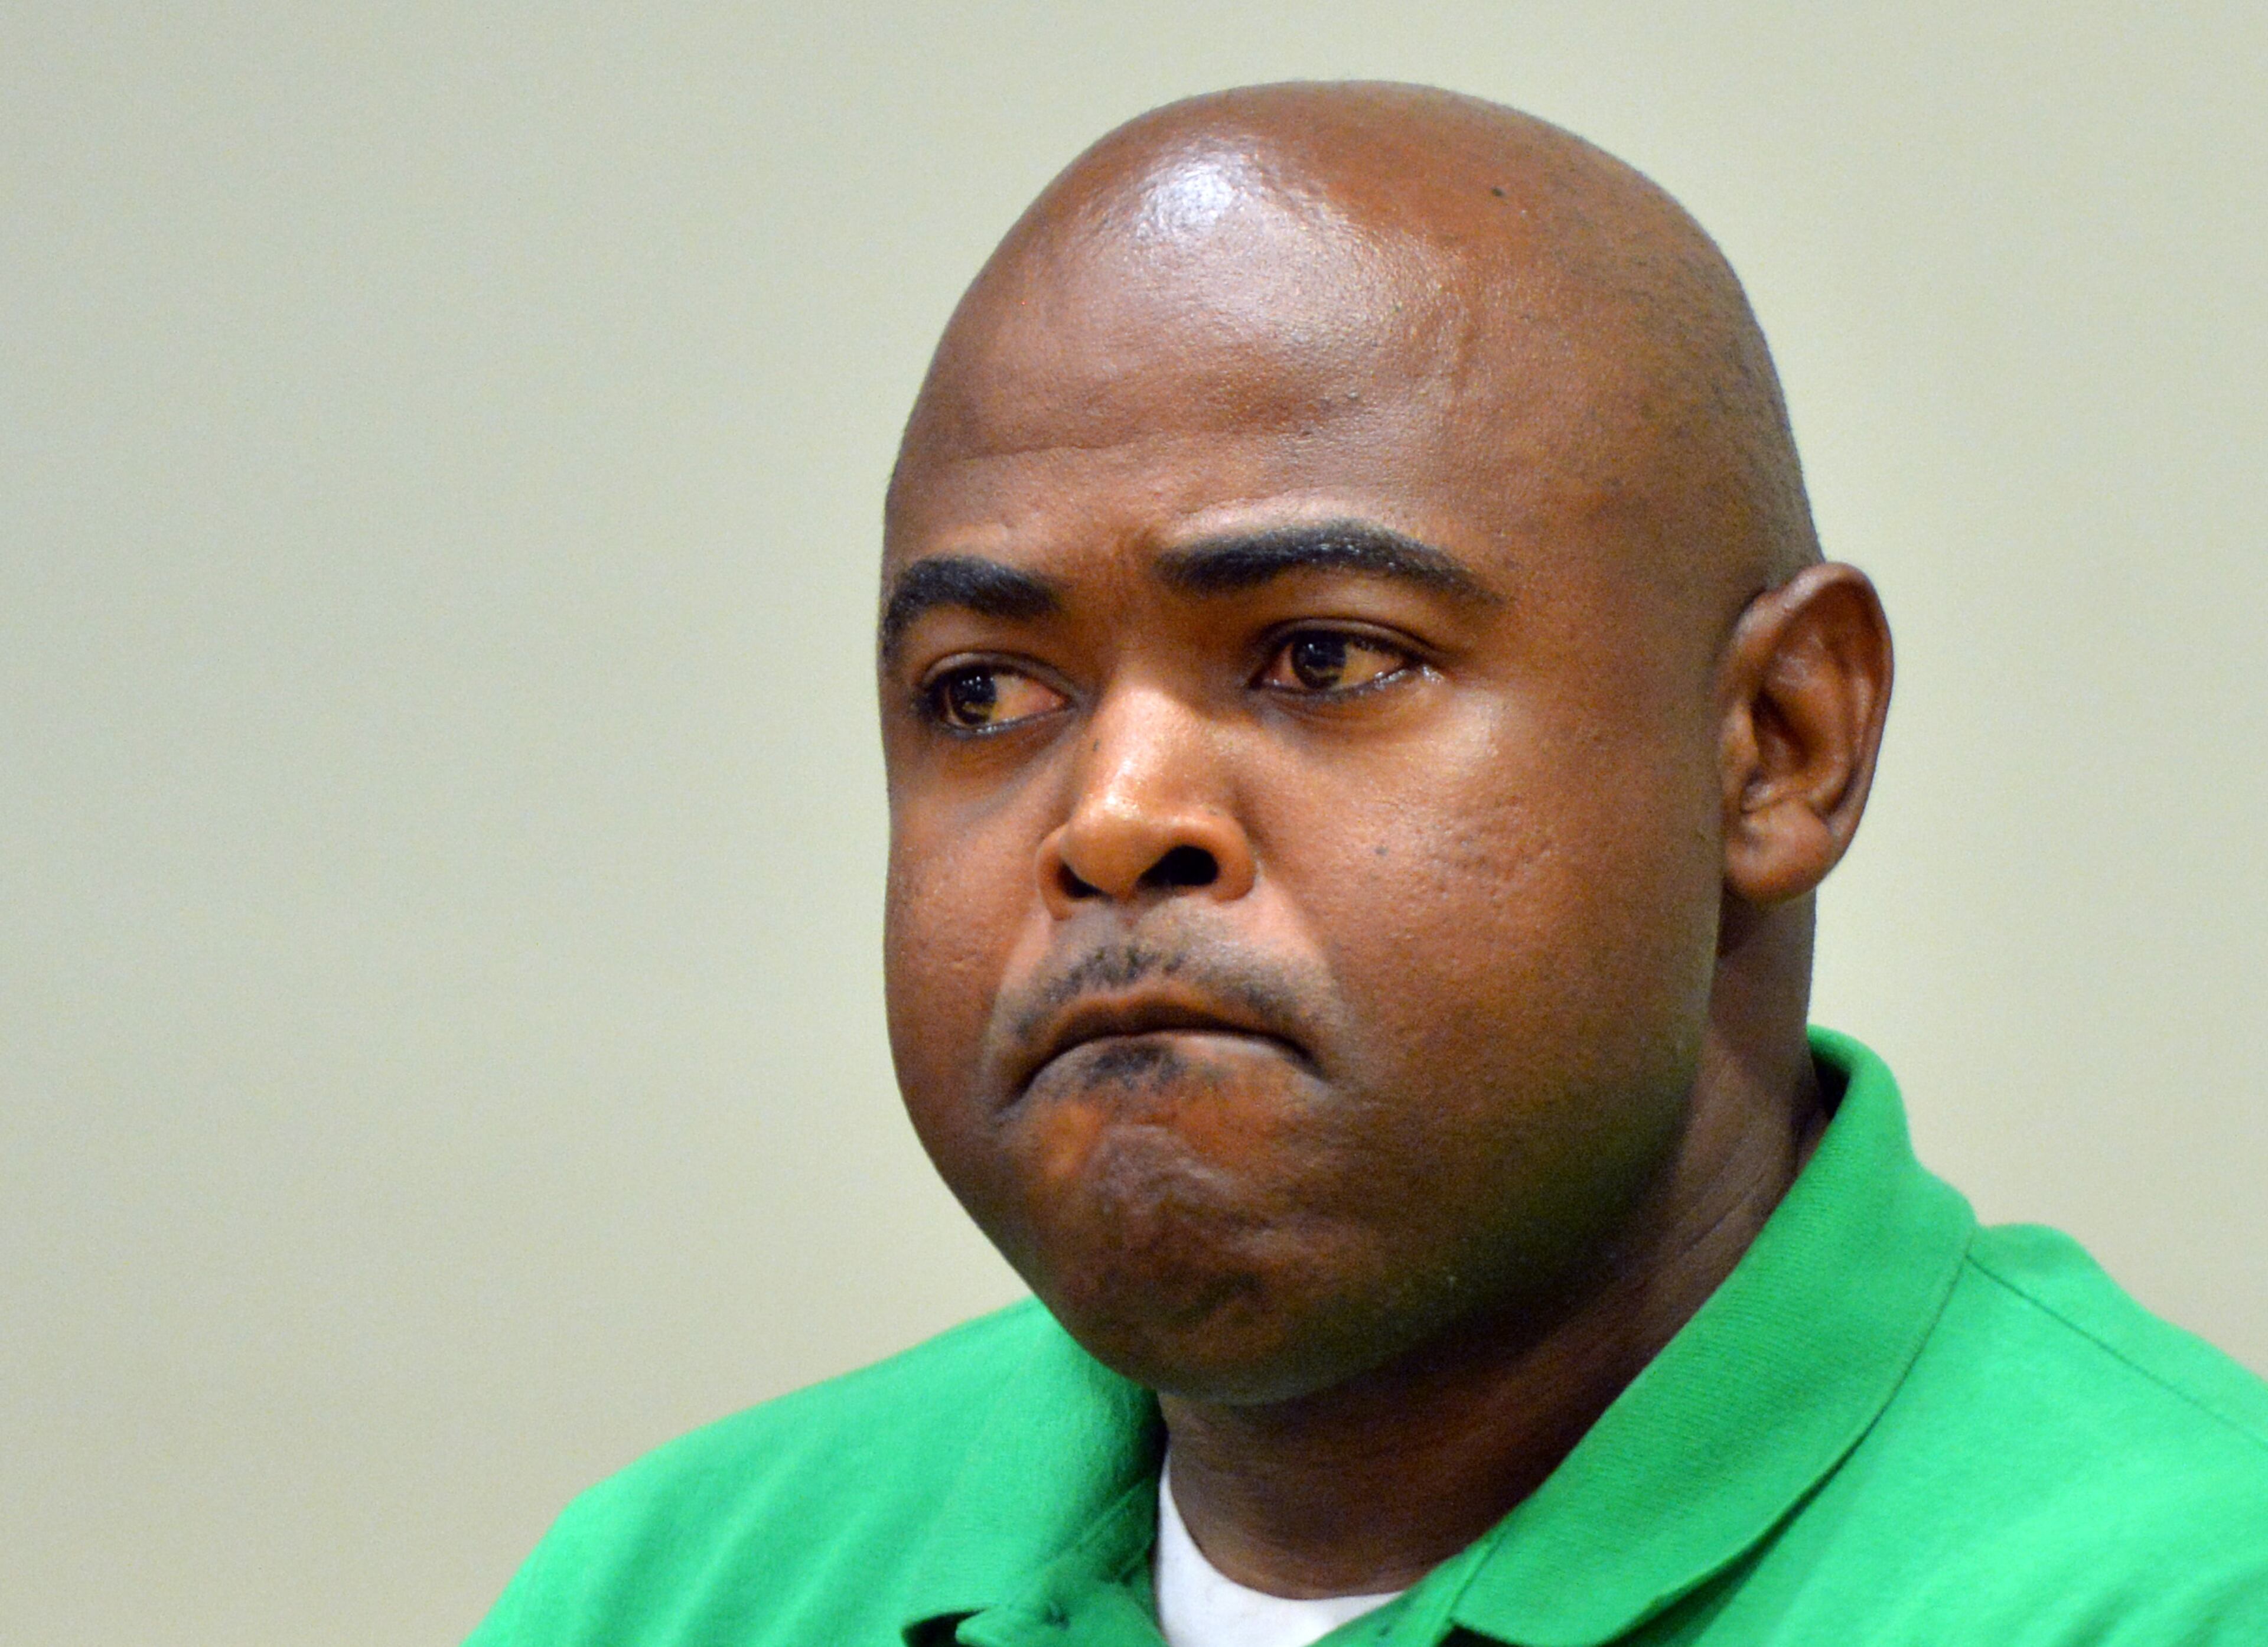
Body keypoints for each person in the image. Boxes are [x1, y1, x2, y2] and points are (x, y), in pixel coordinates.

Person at [466, 83, 2268, 1646]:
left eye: (1326, 656)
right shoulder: (668, 1588)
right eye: (986, 692)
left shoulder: (2180, 1596)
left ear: (1776, 743)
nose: (1112, 815)